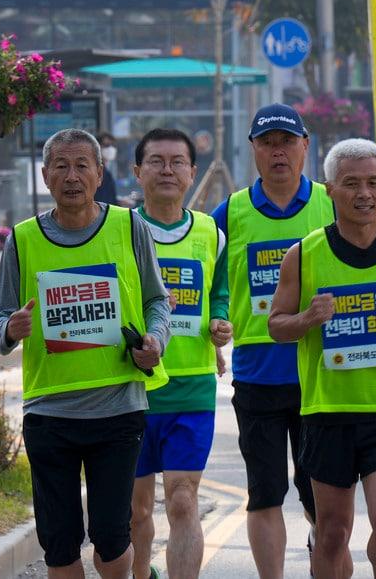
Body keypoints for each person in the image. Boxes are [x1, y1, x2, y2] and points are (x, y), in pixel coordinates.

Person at [0, 128, 172, 579]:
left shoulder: (129, 226)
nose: (72, 176)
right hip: (50, 412)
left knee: (111, 538)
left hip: (117, 409)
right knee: (59, 544)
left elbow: (157, 301)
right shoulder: (23, 238)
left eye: (81, 166)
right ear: (46, 176)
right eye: (61, 167)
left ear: (99, 173)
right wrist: (10, 328)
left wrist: (155, 341)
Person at [268, 138, 376, 579]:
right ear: (330, 190)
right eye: (351, 184)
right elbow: (276, 324)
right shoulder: (304, 254)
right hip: (329, 412)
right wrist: (309, 317)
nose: (363, 194)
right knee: (331, 532)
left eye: (372, 183)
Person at [210, 104, 334, 579]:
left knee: (320, 494)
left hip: (321, 375)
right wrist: (218, 322)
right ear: (254, 151)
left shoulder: (331, 204)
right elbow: (212, 284)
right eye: (267, 143)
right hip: (259, 375)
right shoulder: (230, 213)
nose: (278, 151)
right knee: (264, 491)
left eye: (287, 141)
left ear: (306, 146)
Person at [128, 128, 232, 579]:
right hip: (131, 388)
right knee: (134, 511)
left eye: (177, 161)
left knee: (183, 499)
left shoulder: (210, 231)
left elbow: (220, 291)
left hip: (191, 387)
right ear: (137, 172)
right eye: (156, 161)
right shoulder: (120, 228)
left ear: (193, 172)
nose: (167, 170)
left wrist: (219, 322)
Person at [95, 131, 121, 206]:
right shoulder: (98, 171)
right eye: (106, 145)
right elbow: (102, 201)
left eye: (113, 145)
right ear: (97, 147)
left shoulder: (106, 170)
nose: (110, 149)